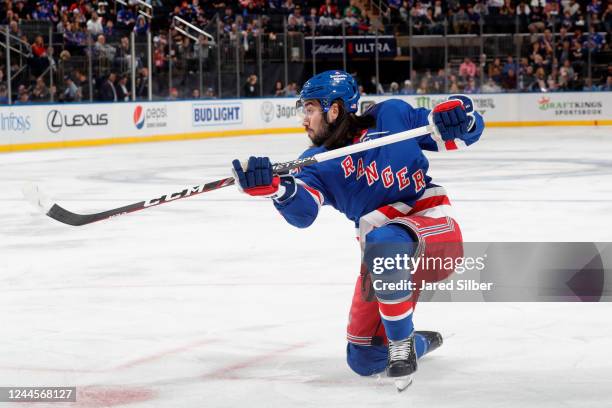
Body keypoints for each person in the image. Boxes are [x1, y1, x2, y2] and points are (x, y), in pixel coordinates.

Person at [230, 70, 485, 390]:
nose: (303, 121)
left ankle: (401, 344)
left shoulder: (391, 115)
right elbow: (303, 212)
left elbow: (456, 133)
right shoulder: (316, 161)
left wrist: (462, 117)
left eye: (309, 110)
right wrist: (277, 190)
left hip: (435, 235)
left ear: (334, 109)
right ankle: (416, 343)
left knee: (384, 239)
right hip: (385, 264)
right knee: (363, 357)